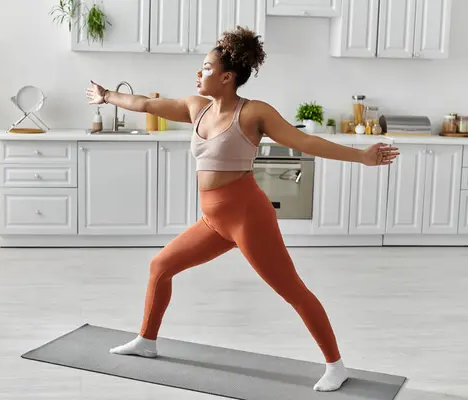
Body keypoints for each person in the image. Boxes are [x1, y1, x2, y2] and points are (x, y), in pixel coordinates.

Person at [85, 26, 399, 392]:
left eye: (205, 67)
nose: (198, 72)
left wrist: (361, 157)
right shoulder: (196, 107)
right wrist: (106, 95)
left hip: (248, 217)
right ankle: (147, 342)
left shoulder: (252, 114)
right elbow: (145, 104)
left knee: (291, 289)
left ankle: (335, 365)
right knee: (160, 266)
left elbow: (306, 141)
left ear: (226, 77)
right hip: (214, 220)